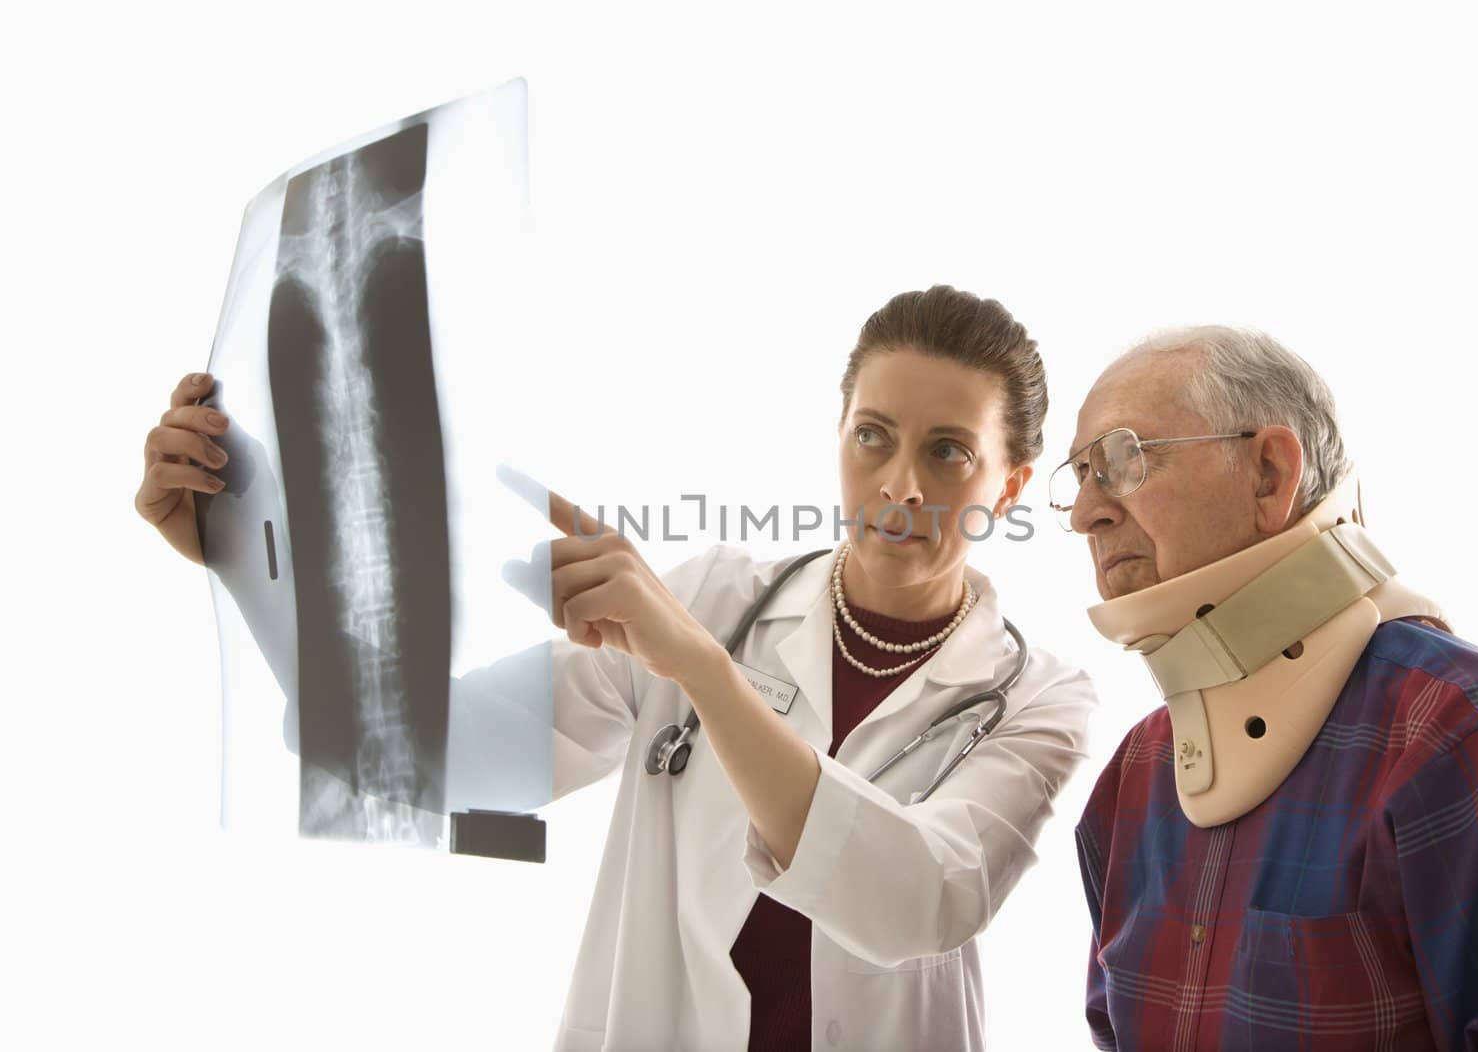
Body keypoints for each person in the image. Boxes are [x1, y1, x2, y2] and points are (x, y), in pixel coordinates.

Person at [137, 284, 1097, 1051]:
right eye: (873, 434)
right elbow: (439, 751)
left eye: (949, 452)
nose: (899, 484)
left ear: (1010, 485)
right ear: (838, 429)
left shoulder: (1038, 693)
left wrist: (702, 669)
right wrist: (241, 557)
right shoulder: (717, 596)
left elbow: (920, 899)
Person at [1051, 325, 1478, 1050]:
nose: (1088, 511)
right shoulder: (1138, 776)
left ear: (1271, 474)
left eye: (1124, 459)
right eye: (1081, 475)